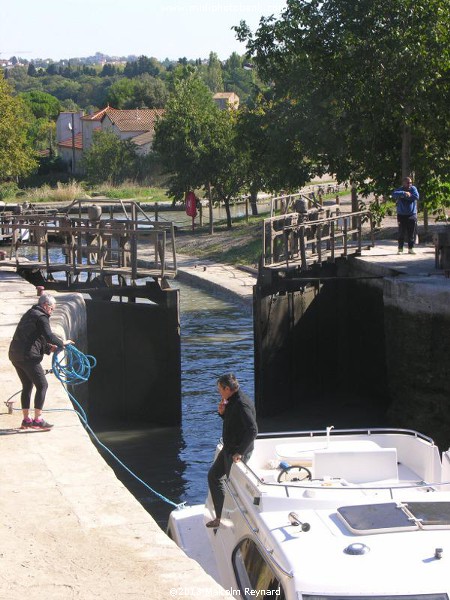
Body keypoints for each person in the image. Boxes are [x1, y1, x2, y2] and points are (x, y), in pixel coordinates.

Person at [8, 293, 74, 429]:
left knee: (27, 385)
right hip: (28, 357)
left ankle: (26, 420)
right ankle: (38, 420)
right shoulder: (42, 317)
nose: (52, 311)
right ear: (45, 305)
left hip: (15, 355)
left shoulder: (30, 313)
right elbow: (49, 336)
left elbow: (37, 338)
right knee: (42, 385)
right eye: (52, 309)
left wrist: (50, 349)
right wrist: (63, 343)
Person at [206, 373, 258, 528]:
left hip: (236, 452)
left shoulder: (242, 403)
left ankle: (237, 521)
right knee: (213, 476)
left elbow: (253, 430)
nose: (219, 393)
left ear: (227, 388)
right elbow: (234, 423)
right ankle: (220, 516)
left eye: (220, 389)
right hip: (229, 448)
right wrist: (222, 413)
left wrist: (240, 452)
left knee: (233, 485)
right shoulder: (232, 401)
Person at [392, 177, 419, 255]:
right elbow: (394, 194)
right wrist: (403, 194)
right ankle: (400, 249)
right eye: (408, 183)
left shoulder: (413, 189)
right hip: (401, 215)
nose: (409, 184)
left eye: (410, 182)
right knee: (401, 232)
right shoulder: (400, 189)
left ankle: (411, 248)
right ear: (403, 183)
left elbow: (416, 197)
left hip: (412, 214)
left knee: (411, 233)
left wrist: (404, 197)